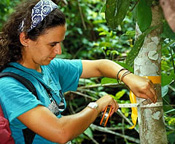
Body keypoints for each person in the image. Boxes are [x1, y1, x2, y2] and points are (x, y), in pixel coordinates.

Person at [0, 0, 157, 143]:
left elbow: (100, 65)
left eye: (60, 43)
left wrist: (128, 77)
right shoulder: (9, 85)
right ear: (25, 39)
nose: (59, 51)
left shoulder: (49, 67)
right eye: (52, 44)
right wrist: (96, 106)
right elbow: (60, 132)